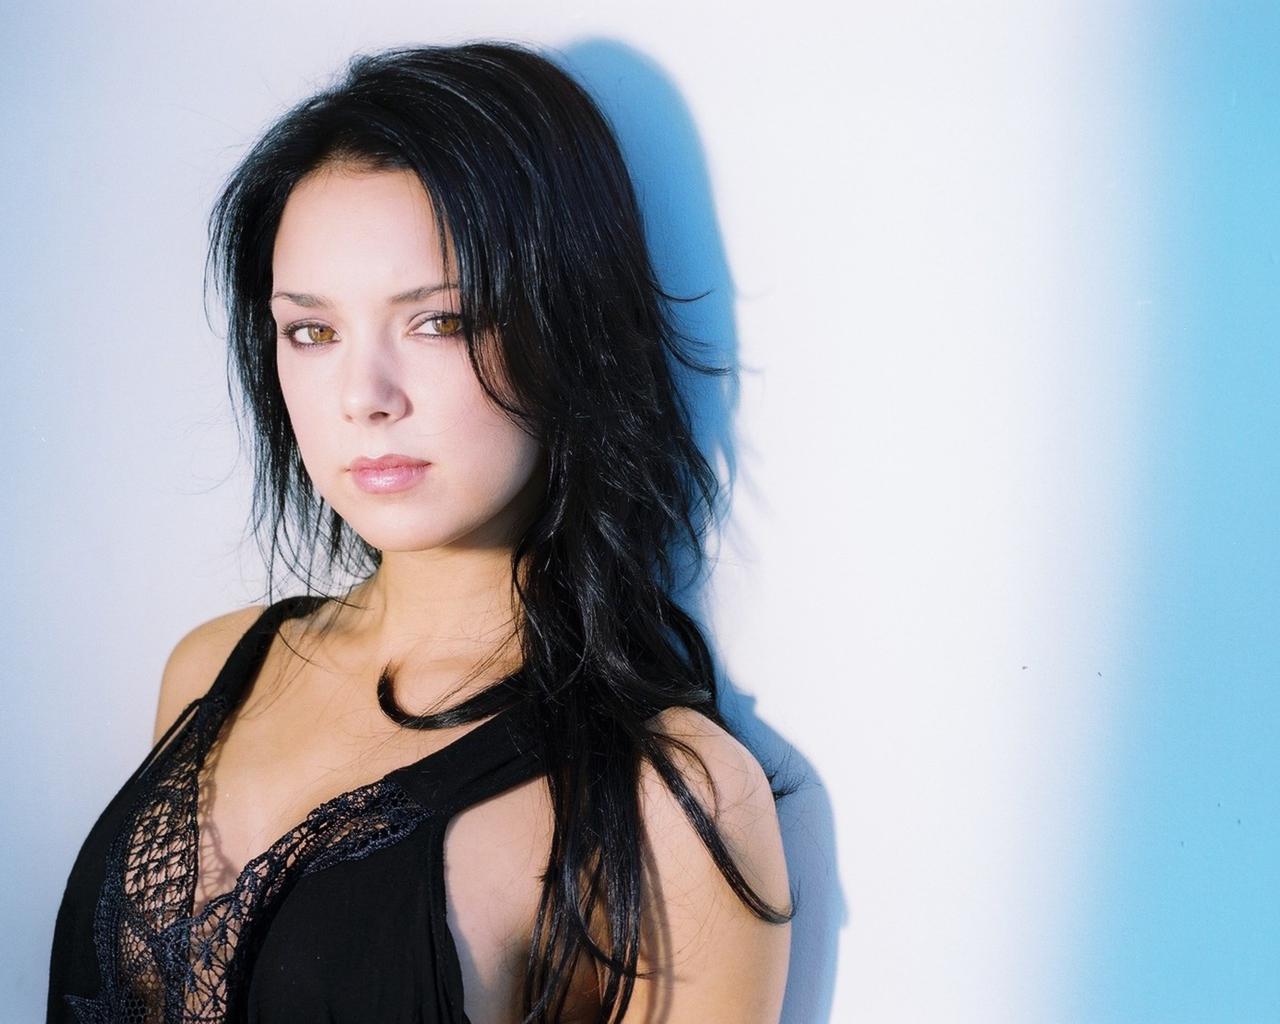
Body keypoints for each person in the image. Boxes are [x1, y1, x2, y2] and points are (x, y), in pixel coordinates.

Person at [47, 41, 793, 1023]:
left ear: (567, 325)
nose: (363, 396)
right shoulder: (212, 668)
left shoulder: (665, 802)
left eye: (439, 321)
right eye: (312, 331)